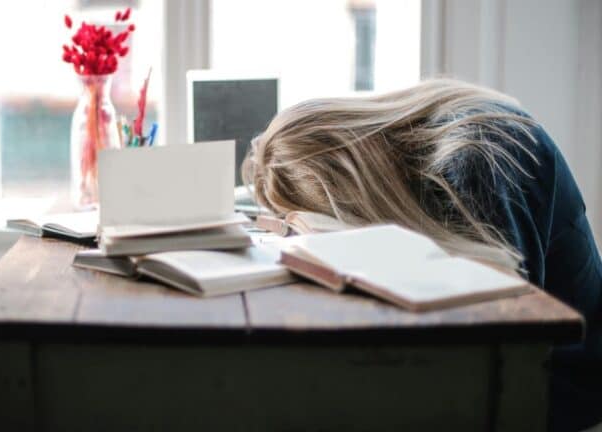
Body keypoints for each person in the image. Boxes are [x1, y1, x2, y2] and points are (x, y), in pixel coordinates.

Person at [243, 79, 602, 431]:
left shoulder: (477, 157)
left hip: (564, 382)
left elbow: (502, 337)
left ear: (348, 187)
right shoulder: (432, 138)